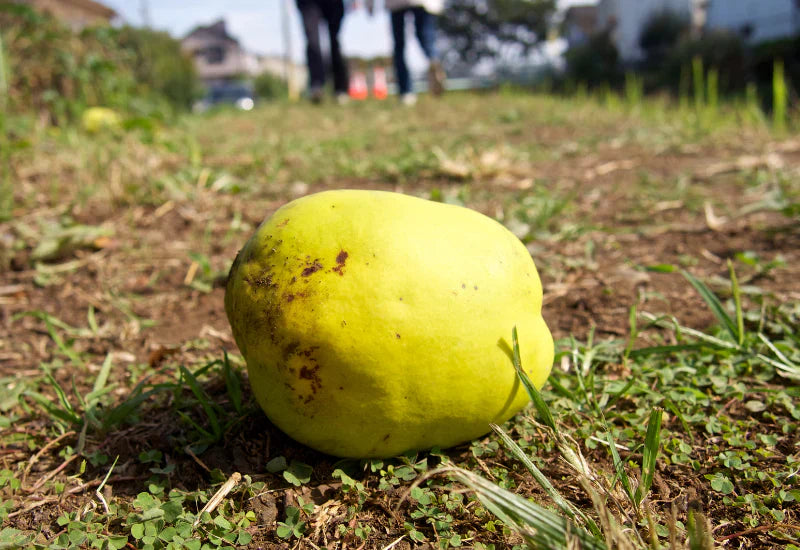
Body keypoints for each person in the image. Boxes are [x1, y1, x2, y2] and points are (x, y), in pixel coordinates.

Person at [369, 0, 445, 105]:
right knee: (425, 35)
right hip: (424, 3)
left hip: (396, 3)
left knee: (399, 45)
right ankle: (432, 57)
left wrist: (369, 4)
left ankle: (406, 92)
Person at [296, 0, 350, 103]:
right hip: (308, 3)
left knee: (334, 42)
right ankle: (316, 86)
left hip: (334, 3)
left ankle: (340, 89)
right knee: (312, 41)